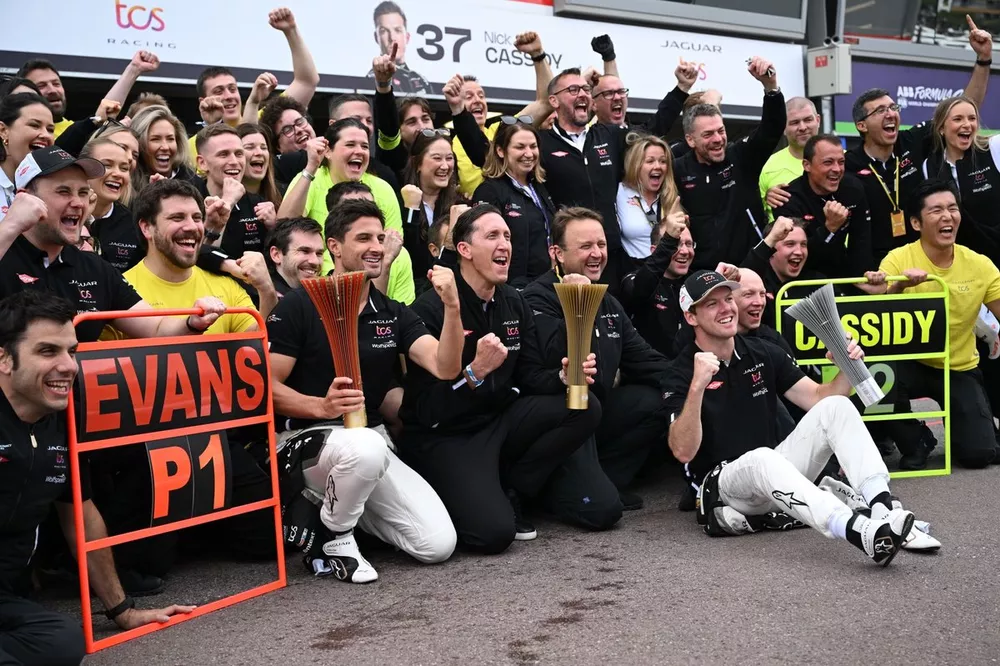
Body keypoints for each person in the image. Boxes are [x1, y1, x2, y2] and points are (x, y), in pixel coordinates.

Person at [662, 269, 928, 565]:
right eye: (712, 304)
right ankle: (858, 530)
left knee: (837, 407)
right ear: (691, 317)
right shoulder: (679, 372)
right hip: (723, 487)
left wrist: (846, 365)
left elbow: (819, 398)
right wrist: (697, 386)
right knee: (761, 457)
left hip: (773, 473)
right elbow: (683, 451)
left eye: (728, 299)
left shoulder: (763, 351)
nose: (726, 308)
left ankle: (882, 508)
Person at [267, 199, 461, 581]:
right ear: (335, 247)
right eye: (363, 238)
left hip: (367, 444)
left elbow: (445, 366)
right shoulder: (299, 304)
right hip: (303, 441)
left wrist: (452, 308)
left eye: (379, 238)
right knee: (367, 447)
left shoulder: (391, 310)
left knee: (437, 544)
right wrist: (321, 407)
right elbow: (264, 386)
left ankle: (334, 512)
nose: (376, 247)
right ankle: (335, 536)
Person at [0, 291, 194, 666]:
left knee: (65, 644)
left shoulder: (63, 418)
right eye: (47, 351)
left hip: (8, 595)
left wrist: (122, 610)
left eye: (71, 351)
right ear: (5, 358)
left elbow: (81, 516)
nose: (68, 366)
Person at [399, 204, 608, 552]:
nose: (505, 245)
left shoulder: (513, 301)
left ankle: (516, 488)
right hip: (449, 435)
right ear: (464, 249)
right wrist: (474, 373)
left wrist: (561, 375)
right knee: (493, 535)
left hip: (499, 422)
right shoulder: (431, 307)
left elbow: (529, 377)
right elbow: (427, 411)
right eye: (493, 236)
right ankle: (449, 494)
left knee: (585, 406)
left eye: (508, 237)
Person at [0, 146, 226, 344]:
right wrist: (11, 224)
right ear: (24, 197)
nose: (78, 203)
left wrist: (192, 321)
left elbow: (156, 328)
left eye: (83, 192)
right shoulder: (5, 249)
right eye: (63, 191)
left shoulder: (94, 268)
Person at [523, 208, 668, 511]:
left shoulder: (608, 300)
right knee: (602, 512)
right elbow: (552, 356)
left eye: (601, 245)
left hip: (597, 413)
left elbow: (645, 360)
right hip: (564, 419)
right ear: (557, 253)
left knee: (656, 399)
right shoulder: (536, 297)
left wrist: (696, 375)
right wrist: (577, 303)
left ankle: (607, 481)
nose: (597, 254)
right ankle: (545, 490)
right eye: (585, 246)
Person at [866, 179, 1000, 468]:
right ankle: (917, 440)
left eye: (952, 208)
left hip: (958, 366)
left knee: (979, 454)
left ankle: (970, 428)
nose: (947, 216)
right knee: (872, 373)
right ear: (916, 223)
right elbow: (876, 319)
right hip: (907, 363)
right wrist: (899, 286)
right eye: (936, 210)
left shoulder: (980, 264)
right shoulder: (897, 259)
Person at [846, 17, 993, 265]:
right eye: (880, 111)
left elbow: (963, 106)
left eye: (893, 108)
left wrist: (984, 59)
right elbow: (814, 182)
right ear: (862, 125)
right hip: (874, 265)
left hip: (922, 260)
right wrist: (780, 192)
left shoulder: (911, 141)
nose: (891, 114)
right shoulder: (849, 163)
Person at [279, 118, 416, 302]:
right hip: (322, 279)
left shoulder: (383, 188)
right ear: (328, 151)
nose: (359, 151)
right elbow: (283, 228)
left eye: (365, 146)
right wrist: (311, 167)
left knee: (401, 256)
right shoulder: (311, 178)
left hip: (372, 270)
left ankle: (377, 310)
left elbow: (391, 242)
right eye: (350, 144)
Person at [674, 57, 785, 272]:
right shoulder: (677, 168)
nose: (718, 139)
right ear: (690, 140)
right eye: (708, 134)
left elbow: (772, 128)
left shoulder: (741, 157)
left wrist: (770, 86)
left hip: (750, 268)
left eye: (721, 131)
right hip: (702, 274)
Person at [188, 7, 319, 162]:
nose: (229, 96)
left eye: (232, 89)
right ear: (203, 102)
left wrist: (290, 30)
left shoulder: (264, 119)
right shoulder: (191, 146)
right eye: (218, 91)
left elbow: (306, 81)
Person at [772, 134, 874, 278]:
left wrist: (863, 278)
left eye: (841, 162)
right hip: (802, 277)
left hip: (842, 273)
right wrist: (829, 229)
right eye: (828, 162)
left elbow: (861, 242)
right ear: (807, 165)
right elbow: (797, 257)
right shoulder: (787, 199)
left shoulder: (853, 188)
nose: (837, 169)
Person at [472, 120, 556, 288]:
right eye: (520, 147)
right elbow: (483, 244)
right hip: (511, 288)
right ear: (500, 151)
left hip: (546, 284)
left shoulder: (540, 187)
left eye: (533, 146)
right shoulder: (489, 190)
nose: (529, 153)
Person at [17, 52, 160, 140]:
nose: (52, 90)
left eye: (56, 83)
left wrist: (134, 69)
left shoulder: (73, 129)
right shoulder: (18, 132)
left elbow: (105, 112)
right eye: (41, 86)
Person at [325, 179, 415, 304]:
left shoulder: (399, 254)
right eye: (351, 209)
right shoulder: (316, 255)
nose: (363, 213)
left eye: (370, 206)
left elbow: (376, 311)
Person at [619, 212, 694, 359]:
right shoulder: (633, 279)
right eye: (677, 244)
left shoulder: (694, 283)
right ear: (656, 250)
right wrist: (668, 242)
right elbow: (640, 289)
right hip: (650, 370)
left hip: (690, 368)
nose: (685, 251)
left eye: (689, 244)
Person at [195, 124, 276, 259]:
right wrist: (228, 201)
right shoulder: (188, 201)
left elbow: (275, 258)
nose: (234, 161)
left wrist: (274, 228)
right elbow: (193, 257)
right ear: (202, 163)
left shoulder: (258, 205)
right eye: (223, 154)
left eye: (239, 154)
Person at [402, 132, 464, 290]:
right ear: (418, 164)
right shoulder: (400, 200)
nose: (445, 166)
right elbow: (409, 255)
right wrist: (411, 211)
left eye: (449, 158)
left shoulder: (460, 204)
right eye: (437, 158)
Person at [615, 132, 683, 263]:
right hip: (634, 269)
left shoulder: (671, 197)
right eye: (650, 161)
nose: (658, 166)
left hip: (668, 271)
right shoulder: (619, 193)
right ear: (635, 165)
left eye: (663, 161)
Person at [80, 137, 138, 271]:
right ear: (83, 169)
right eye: (107, 165)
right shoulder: (62, 215)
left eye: (124, 168)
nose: (118, 174)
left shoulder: (134, 226)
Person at [759, 97, 821, 220]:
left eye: (808, 120)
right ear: (783, 127)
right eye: (794, 122)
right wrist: (766, 199)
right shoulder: (765, 166)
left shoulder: (843, 159)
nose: (802, 127)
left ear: (818, 120)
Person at [0, 93, 54, 220]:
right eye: (35, 125)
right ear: (3, 131)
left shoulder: (46, 188)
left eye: (50, 129)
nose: (46, 135)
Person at [366, 1, 433, 94]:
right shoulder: (370, 80)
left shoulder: (421, 81)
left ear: (407, 37)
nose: (392, 38)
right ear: (376, 38)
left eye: (397, 30)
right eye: (384, 31)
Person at [131, 105, 197, 193]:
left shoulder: (194, 183)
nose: (165, 147)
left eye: (170, 139)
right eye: (155, 139)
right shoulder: (126, 185)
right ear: (138, 143)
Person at [266, 217, 325, 296]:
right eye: (305, 251)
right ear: (276, 255)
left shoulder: (325, 295)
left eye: (319, 253)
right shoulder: (259, 297)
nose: (315, 261)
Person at [237, 122, 283, 209]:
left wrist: (276, 218)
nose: (259, 153)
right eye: (249, 147)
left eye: (263, 148)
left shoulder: (284, 194)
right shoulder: (225, 200)